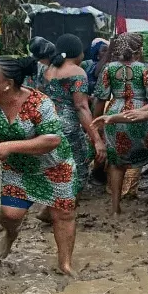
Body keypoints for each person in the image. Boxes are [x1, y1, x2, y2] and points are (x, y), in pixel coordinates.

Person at [0, 56, 78, 274]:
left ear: (7, 84)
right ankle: (11, 234)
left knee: (62, 214)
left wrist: (10, 146)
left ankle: (65, 264)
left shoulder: (39, 103)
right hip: (18, 168)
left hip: (55, 167)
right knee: (10, 215)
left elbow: (52, 139)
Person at [93, 34, 148, 215]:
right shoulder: (146, 69)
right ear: (139, 50)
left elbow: (100, 98)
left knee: (116, 163)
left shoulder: (109, 69)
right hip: (140, 113)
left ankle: (115, 207)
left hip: (115, 114)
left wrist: (97, 124)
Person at [38, 34, 105, 200]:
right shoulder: (77, 72)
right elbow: (81, 107)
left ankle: (50, 206)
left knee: (56, 165)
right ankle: (59, 211)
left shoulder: (47, 69)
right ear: (78, 52)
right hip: (68, 128)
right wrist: (96, 139)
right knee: (79, 170)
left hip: (46, 124)